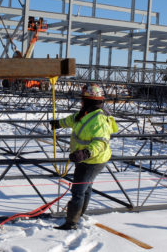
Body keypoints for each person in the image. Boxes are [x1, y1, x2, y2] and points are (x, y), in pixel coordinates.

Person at [50, 83, 118, 230]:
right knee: (85, 187)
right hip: (84, 159)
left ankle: (71, 222)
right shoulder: (86, 112)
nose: (81, 102)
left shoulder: (99, 119)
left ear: (90, 101)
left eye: (83, 99)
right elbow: (72, 119)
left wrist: (85, 153)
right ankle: (79, 214)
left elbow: (101, 143)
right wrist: (58, 124)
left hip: (92, 160)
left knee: (78, 190)